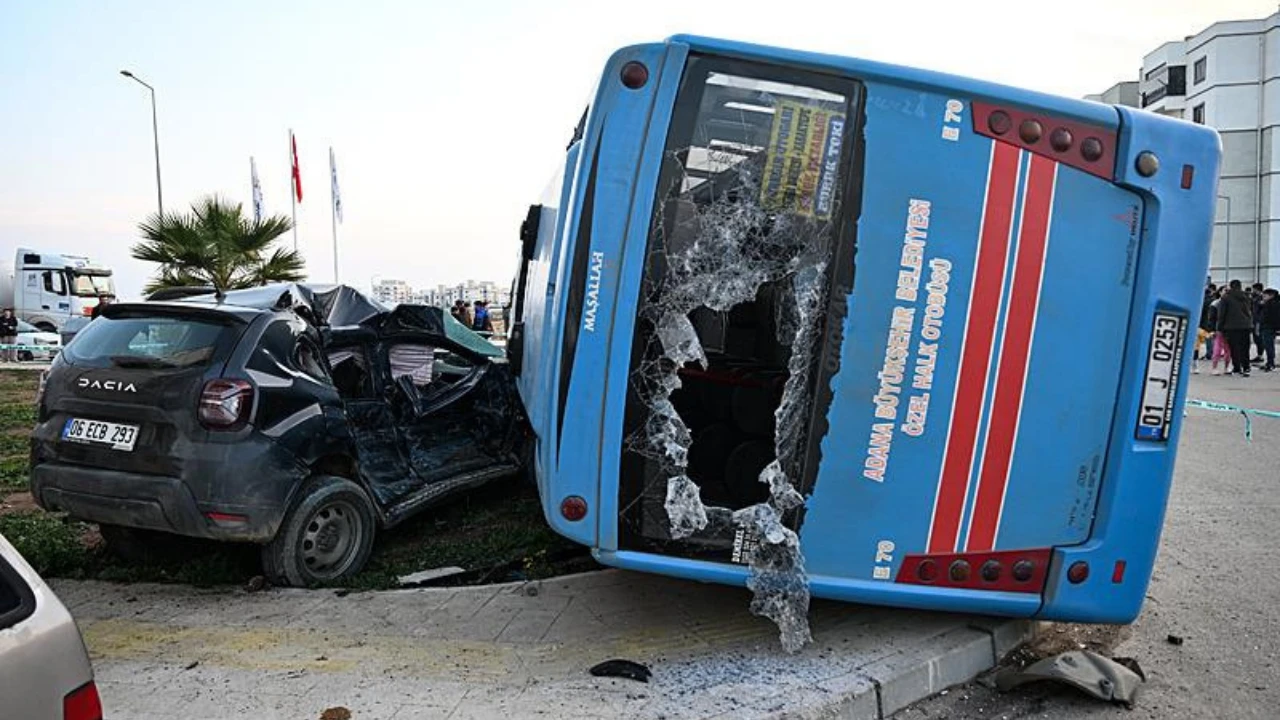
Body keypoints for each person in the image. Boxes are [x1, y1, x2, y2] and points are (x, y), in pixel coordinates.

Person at [1217, 279, 1255, 377]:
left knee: (1234, 348)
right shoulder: (1247, 297)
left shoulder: (1226, 298)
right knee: (1245, 347)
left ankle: (1237, 367)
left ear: (1231, 286)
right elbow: (1250, 311)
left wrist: (1220, 327)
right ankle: (1246, 366)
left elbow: (1222, 314)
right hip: (1246, 325)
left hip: (1231, 326)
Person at [1259, 288, 1279, 372]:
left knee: (1269, 346)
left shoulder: (1272, 304)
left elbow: (1272, 317)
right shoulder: (1272, 303)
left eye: (1265, 296)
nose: (1263, 297)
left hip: (1268, 327)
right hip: (1269, 327)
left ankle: (1270, 364)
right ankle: (1270, 363)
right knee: (1269, 346)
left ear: (1271, 295)